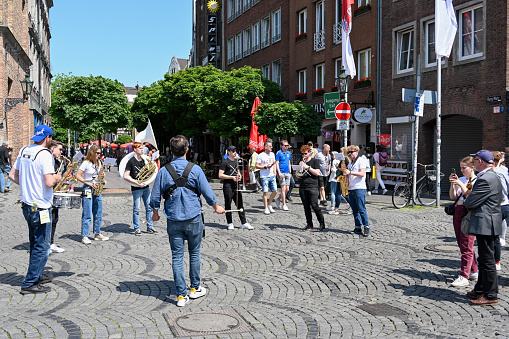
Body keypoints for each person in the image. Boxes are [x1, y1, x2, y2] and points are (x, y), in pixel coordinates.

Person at [150, 135, 225, 307]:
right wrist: (216, 207)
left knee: (177, 257)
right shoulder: (196, 169)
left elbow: (154, 197)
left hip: (174, 219)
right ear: (187, 150)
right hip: (193, 218)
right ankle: (195, 288)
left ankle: (181, 295)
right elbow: (207, 193)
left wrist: (155, 213)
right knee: (194, 253)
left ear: (170, 151)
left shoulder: (163, 171)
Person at [9, 125, 61, 294]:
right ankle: (30, 282)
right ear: (48, 138)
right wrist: (57, 177)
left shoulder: (24, 150)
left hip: (27, 204)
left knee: (35, 243)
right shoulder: (45, 155)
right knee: (42, 246)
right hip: (41, 207)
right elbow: (48, 182)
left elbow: (12, 175)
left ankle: (36, 274)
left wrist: (27, 187)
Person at [464, 150, 503, 306]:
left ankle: (490, 294)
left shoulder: (485, 179)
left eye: (475, 159)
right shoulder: (493, 176)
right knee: (484, 258)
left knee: (487, 260)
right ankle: (480, 289)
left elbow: (470, 202)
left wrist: (469, 197)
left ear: (480, 161)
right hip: (490, 221)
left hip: (486, 223)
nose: (473, 162)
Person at [448, 156, 478, 287]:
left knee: (467, 244)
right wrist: (453, 184)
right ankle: (474, 270)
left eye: (464, 168)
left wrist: (460, 184)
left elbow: (469, 197)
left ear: (472, 167)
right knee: (462, 243)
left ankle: (464, 275)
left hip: (468, 212)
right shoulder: (461, 179)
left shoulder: (475, 180)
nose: (461, 170)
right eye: (460, 167)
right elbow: (453, 196)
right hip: (458, 211)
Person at [76, 145, 109, 244]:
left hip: (97, 188)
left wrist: (102, 175)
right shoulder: (86, 163)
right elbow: (78, 176)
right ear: (92, 152)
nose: (98, 155)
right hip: (88, 188)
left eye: (99, 153)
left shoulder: (99, 162)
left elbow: (99, 174)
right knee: (87, 212)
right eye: (97, 153)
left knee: (98, 211)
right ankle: (85, 235)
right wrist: (87, 182)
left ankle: (97, 233)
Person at [123, 142, 156, 236]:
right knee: (136, 209)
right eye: (140, 148)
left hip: (146, 187)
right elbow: (126, 176)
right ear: (135, 149)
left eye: (143, 148)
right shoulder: (131, 161)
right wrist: (137, 183)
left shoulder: (143, 160)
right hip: (136, 188)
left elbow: (146, 173)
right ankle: (137, 228)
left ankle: (150, 227)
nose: (143, 150)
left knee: (149, 207)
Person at [219, 145, 253, 230]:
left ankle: (244, 222)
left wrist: (239, 176)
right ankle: (230, 223)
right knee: (228, 204)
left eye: (235, 151)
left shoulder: (236, 161)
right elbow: (220, 175)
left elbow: (237, 171)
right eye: (233, 151)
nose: (235, 153)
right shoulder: (225, 162)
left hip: (236, 185)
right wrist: (231, 177)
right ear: (229, 152)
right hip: (228, 186)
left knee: (240, 204)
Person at [343, 145, 370, 237]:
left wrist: (350, 172)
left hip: (359, 187)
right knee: (355, 209)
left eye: (352, 152)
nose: (350, 154)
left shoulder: (361, 160)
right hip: (351, 188)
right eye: (349, 153)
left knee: (361, 208)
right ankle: (358, 227)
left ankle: (366, 227)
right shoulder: (350, 163)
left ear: (357, 152)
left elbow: (362, 173)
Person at [298, 145, 325, 231]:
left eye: (305, 154)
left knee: (314, 205)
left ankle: (321, 222)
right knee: (306, 207)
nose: (304, 156)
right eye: (302, 154)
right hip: (303, 186)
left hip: (312, 186)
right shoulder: (301, 161)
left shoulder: (314, 161)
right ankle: (309, 224)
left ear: (309, 153)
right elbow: (297, 175)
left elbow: (317, 173)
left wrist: (308, 167)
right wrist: (298, 170)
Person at [491, 151, 509, 271]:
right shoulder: (504, 171)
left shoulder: (497, 173)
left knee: (493, 236)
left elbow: (502, 192)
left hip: (499, 206)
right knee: (495, 236)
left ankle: (495, 261)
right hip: (504, 205)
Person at [49, 140, 66, 253]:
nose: (61, 152)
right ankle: (44, 244)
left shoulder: (57, 163)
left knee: (55, 219)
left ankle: (51, 242)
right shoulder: (47, 162)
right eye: (59, 149)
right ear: (52, 149)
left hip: (56, 194)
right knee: (47, 221)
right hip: (47, 195)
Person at [256, 141, 277, 215]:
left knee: (275, 191)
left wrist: (275, 172)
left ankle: (269, 204)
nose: (271, 147)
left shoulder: (272, 154)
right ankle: (265, 208)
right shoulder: (261, 155)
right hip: (264, 176)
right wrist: (265, 167)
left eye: (271, 146)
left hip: (272, 175)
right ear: (265, 147)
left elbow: (274, 163)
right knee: (265, 192)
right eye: (270, 146)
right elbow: (257, 165)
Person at [275, 140, 292, 211]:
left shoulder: (288, 153)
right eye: (285, 145)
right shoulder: (278, 153)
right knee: (283, 188)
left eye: (287, 145)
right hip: (281, 172)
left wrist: (290, 172)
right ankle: (284, 204)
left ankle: (278, 199)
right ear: (281, 146)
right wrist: (279, 172)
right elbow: (277, 163)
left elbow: (289, 162)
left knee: (287, 189)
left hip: (287, 172)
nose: (286, 147)